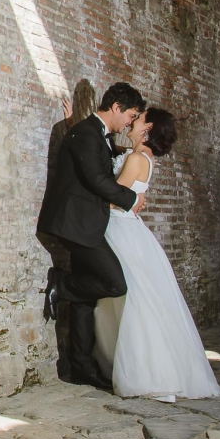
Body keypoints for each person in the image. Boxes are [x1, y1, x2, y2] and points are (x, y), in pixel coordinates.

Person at [92, 107, 220, 400]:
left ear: (148, 127)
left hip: (119, 228)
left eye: (138, 118)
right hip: (131, 230)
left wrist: (123, 198)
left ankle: (143, 372)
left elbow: (113, 200)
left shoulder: (137, 158)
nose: (132, 120)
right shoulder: (142, 157)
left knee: (132, 299)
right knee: (131, 297)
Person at [37, 82, 147, 390]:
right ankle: (61, 284)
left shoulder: (95, 133)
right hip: (75, 224)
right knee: (114, 283)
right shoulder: (87, 133)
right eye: (131, 115)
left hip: (87, 223)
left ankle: (81, 367)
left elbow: (100, 163)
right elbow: (96, 178)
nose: (130, 122)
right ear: (116, 108)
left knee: (87, 299)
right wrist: (130, 199)